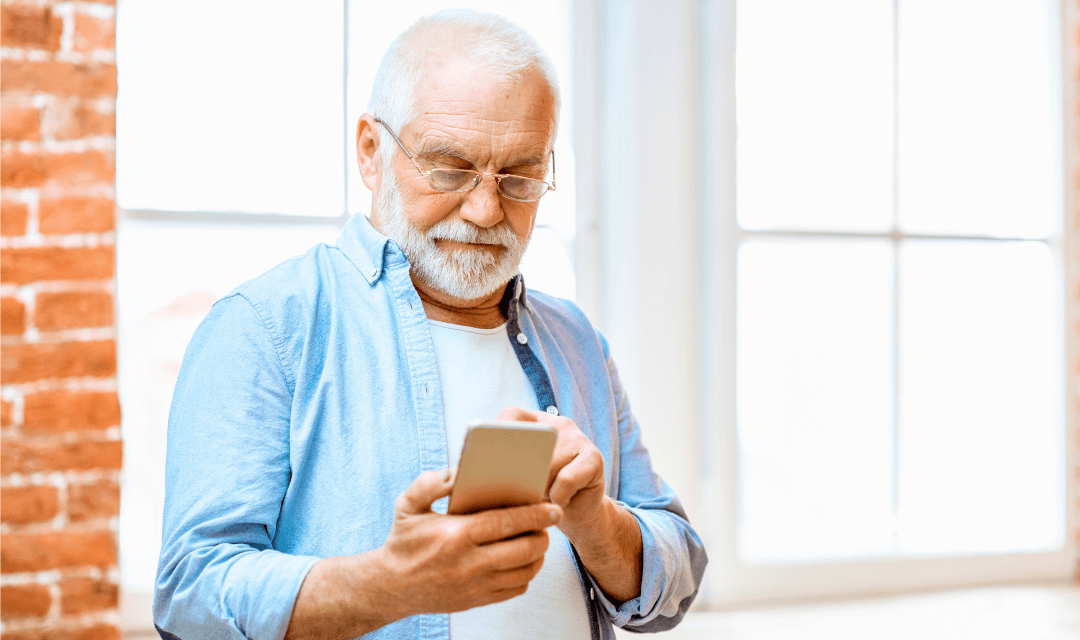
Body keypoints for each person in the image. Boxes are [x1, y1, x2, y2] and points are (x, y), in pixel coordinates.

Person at [154, 9, 705, 640]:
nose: (485, 208)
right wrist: (388, 586)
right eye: (450, 168)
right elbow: (190, 596)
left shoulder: (575, 339)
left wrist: (598, 524)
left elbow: (678, 574)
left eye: (521, 176)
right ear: (371, 152)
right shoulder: (265, 328)